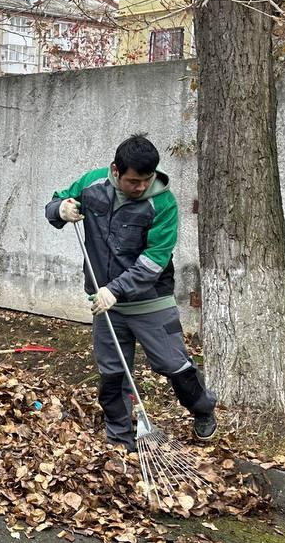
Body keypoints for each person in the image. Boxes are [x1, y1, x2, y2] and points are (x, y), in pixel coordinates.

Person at [45, 133, 218, 447]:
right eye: (133, 181)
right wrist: (61, 209)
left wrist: (116, 290)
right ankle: (120, 438)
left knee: (173, 364)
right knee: (112, 373)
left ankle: (203, 409)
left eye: (146, 180)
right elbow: (56, 202)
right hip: (104, 302)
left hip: (150, 300)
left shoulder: (163, 203)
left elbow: (154, 260)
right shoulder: (92, 184)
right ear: (115, 171)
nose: (140, 187)